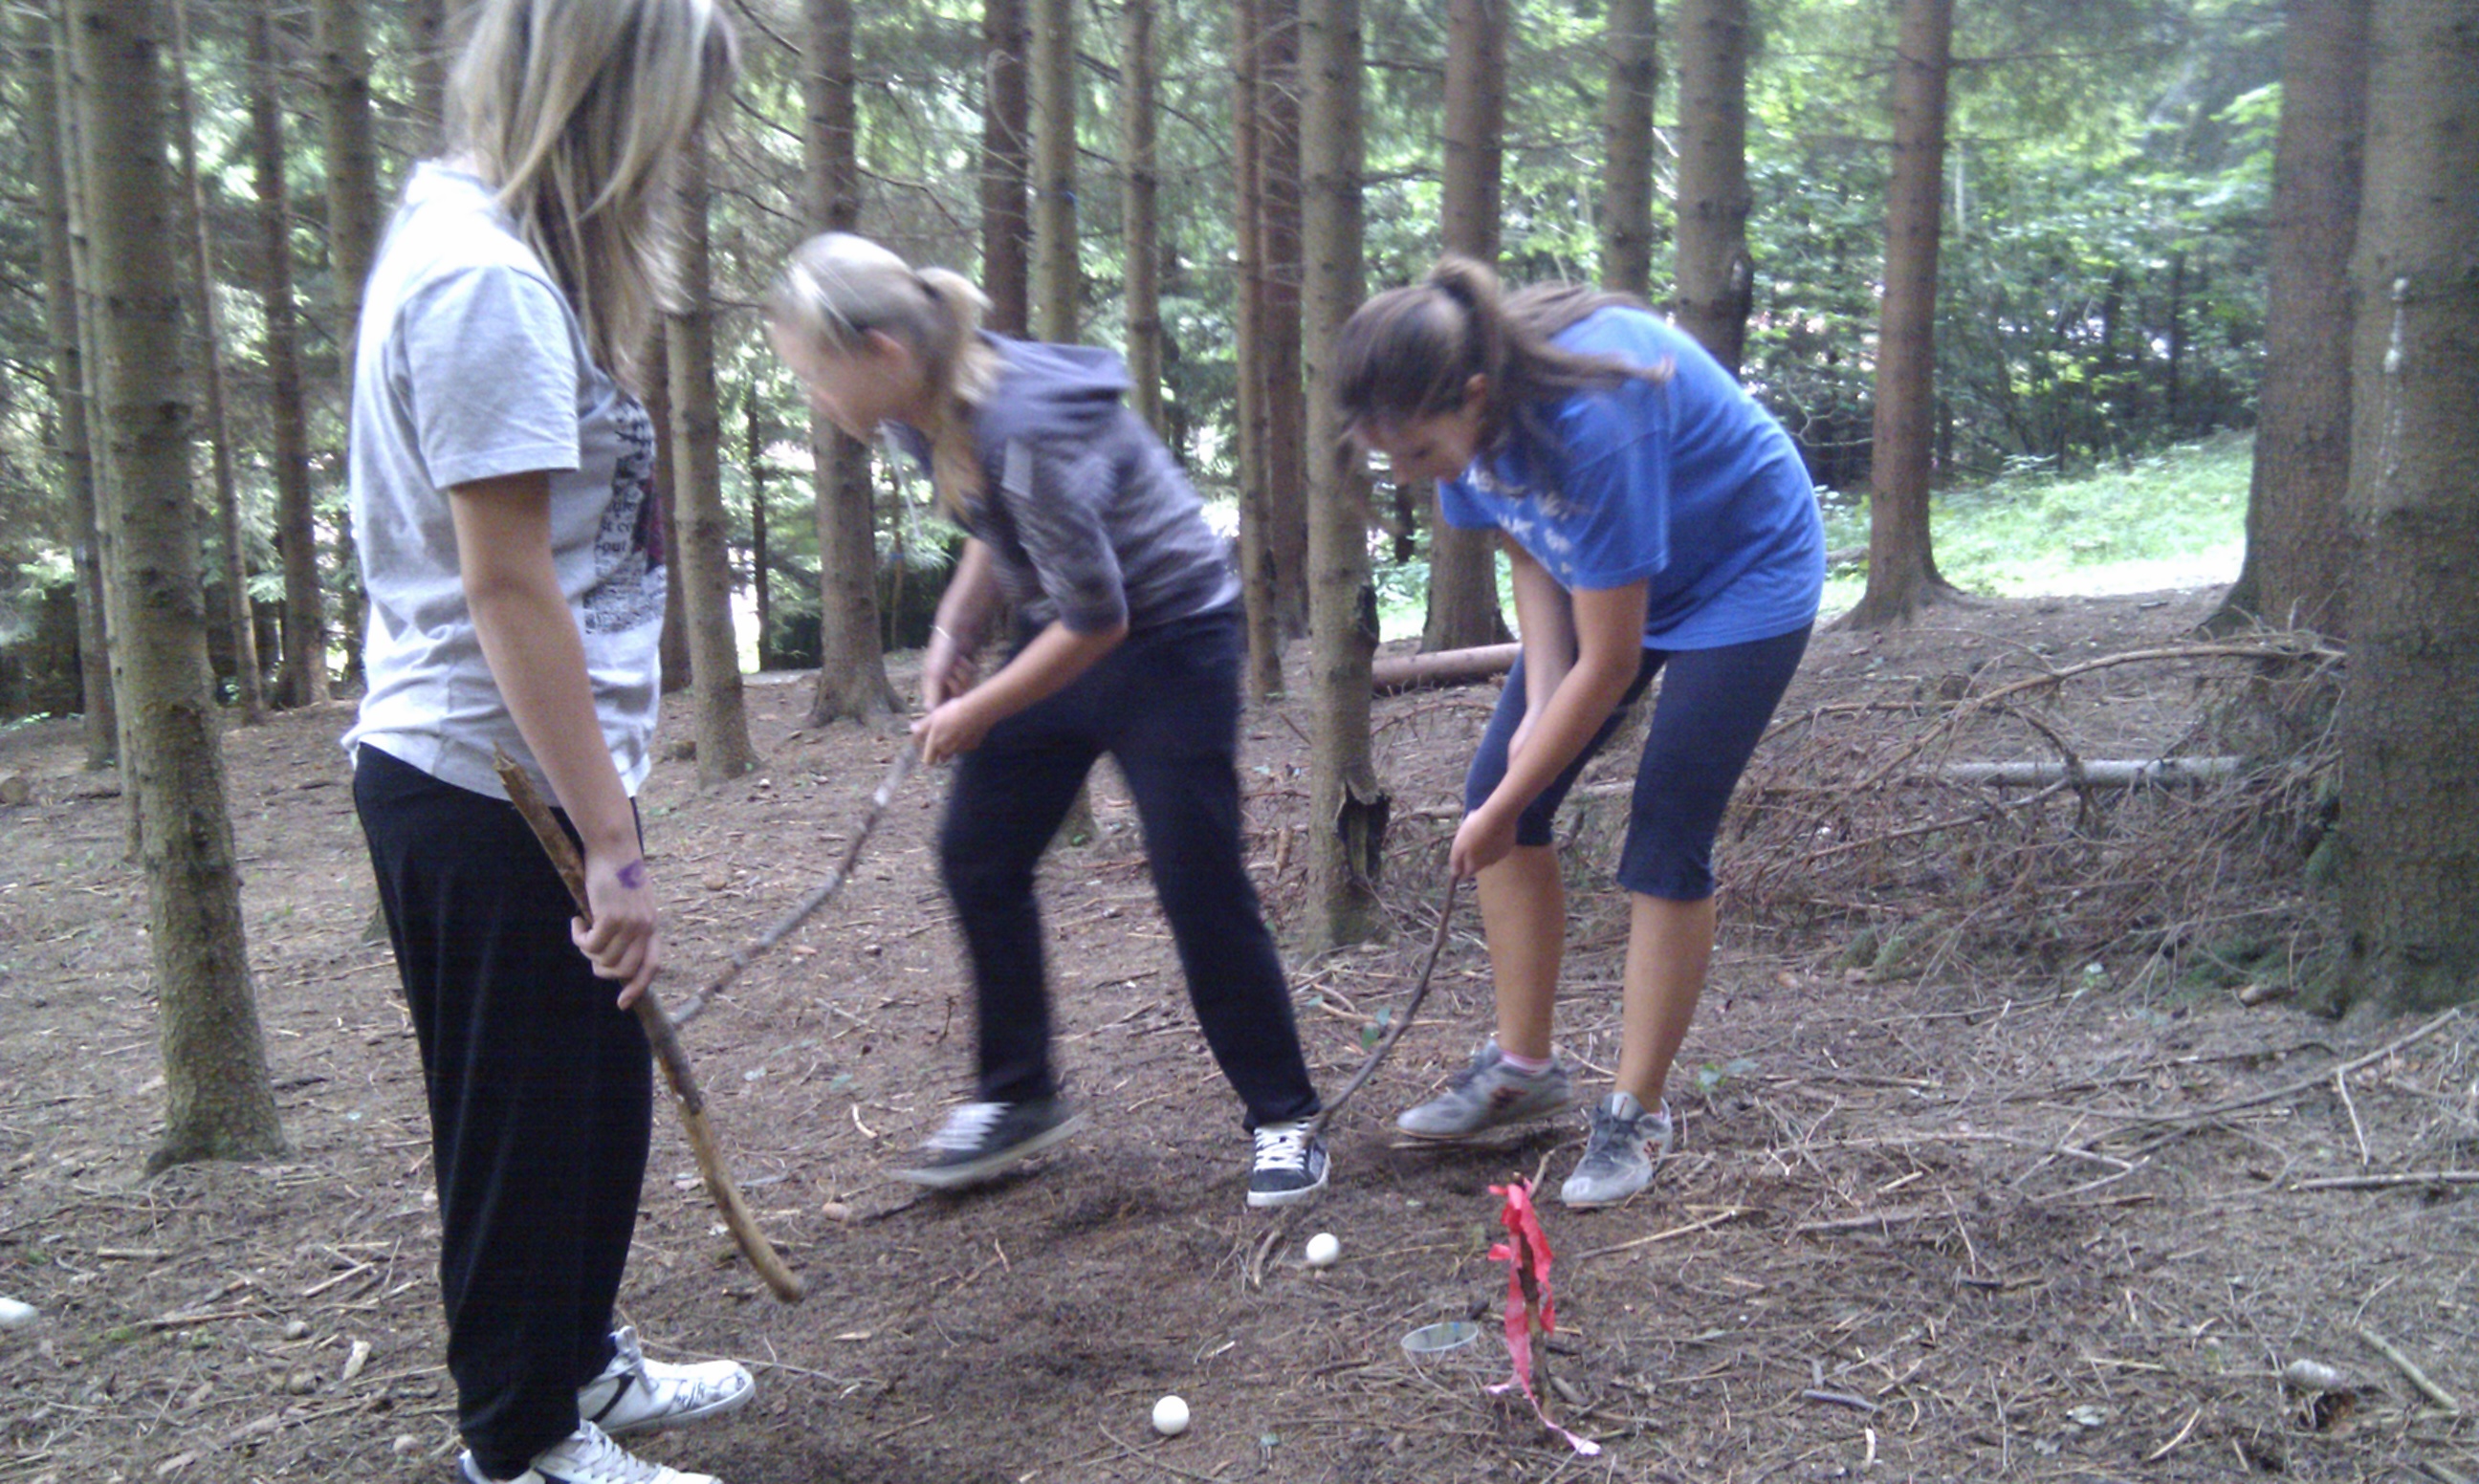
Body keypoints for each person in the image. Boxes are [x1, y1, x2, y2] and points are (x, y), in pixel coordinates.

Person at [342, 3, 755, 1481]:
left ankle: (579, 1368)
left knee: (591, 1097)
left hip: (520, 777)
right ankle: (517, 1444)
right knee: (522, 1122)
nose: (680, 156)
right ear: (603, 102)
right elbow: (507, 583)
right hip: (485, 780)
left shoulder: (479, 247)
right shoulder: (483, 284)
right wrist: (613, 845)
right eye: (670, 120)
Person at [766, 232, 1330, 1210]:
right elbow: (999, 524)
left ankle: (1286, 1114)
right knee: (979, 854)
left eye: (816, 376)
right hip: (1066, 628)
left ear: (883, 353)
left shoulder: (1020, 423)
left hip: (1168, 644)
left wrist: (978, 708)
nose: (813, 398)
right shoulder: (919, 410)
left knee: (1196, 877)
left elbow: (1101, 616)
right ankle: (1017, 1094)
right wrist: (954, 626)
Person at [1337, 257, 1823, 1209]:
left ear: (1476, 397)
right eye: (1389, 456)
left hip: (1744, 572)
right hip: (1611, 578)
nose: (1408, 474)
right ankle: (1525, 1068)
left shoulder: (1590, 423)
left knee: (1665, 830)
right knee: (1501, 789)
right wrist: (1537, 702)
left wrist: (1509, 801)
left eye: (1418, 451)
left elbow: (1612, 662)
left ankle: (1636, 1110)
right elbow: (1528, 548)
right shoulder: (1461, 427)